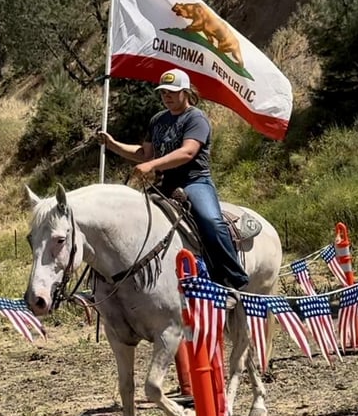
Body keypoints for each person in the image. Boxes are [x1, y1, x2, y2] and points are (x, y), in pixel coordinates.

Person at [96, 68, 249, 295]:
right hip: (164, 184)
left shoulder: (196, 118)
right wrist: (113, 145)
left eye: (172, 92)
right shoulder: (158, 120)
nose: (167, 96)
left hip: (194, 181)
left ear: (185, 92)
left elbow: (187, 152)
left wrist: (153, 165)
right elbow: (145, 153)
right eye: (163, 92)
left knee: (211, 220)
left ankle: (234, 280)